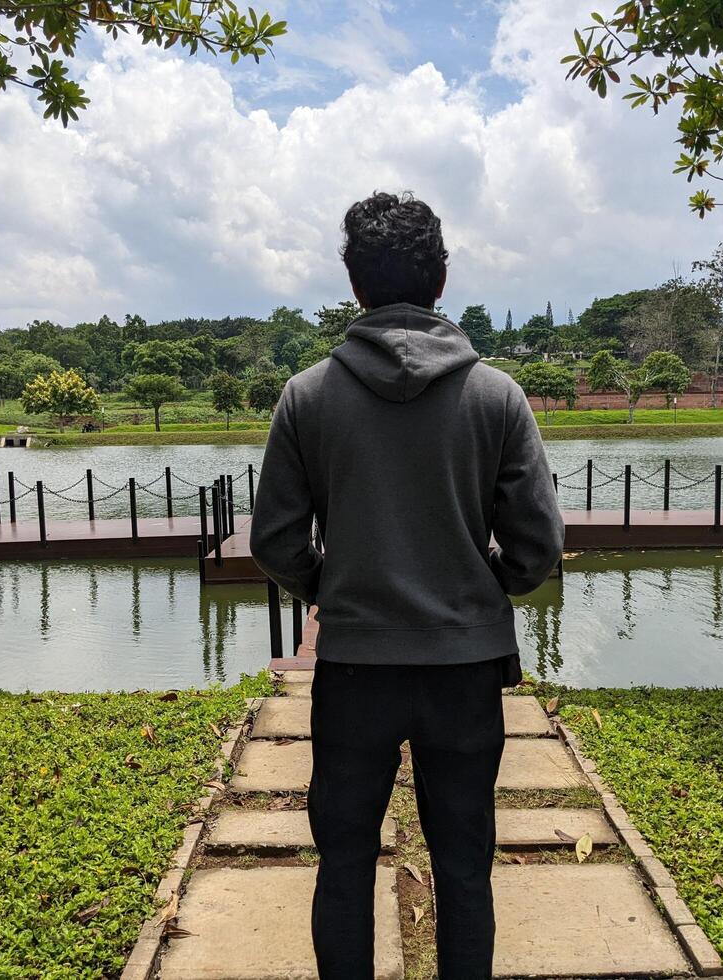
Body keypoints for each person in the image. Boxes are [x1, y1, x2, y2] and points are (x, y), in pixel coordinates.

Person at [249, 191, 564, 979]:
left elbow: (276, 542)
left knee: (345, 863)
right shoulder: (496, 396)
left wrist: (335, 587)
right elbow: (537, 546)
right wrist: (483, 590)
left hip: (354, 667)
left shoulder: (307, 396)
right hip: (464, 669)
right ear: (442, 278)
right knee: (463, 864)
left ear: (354, 284)